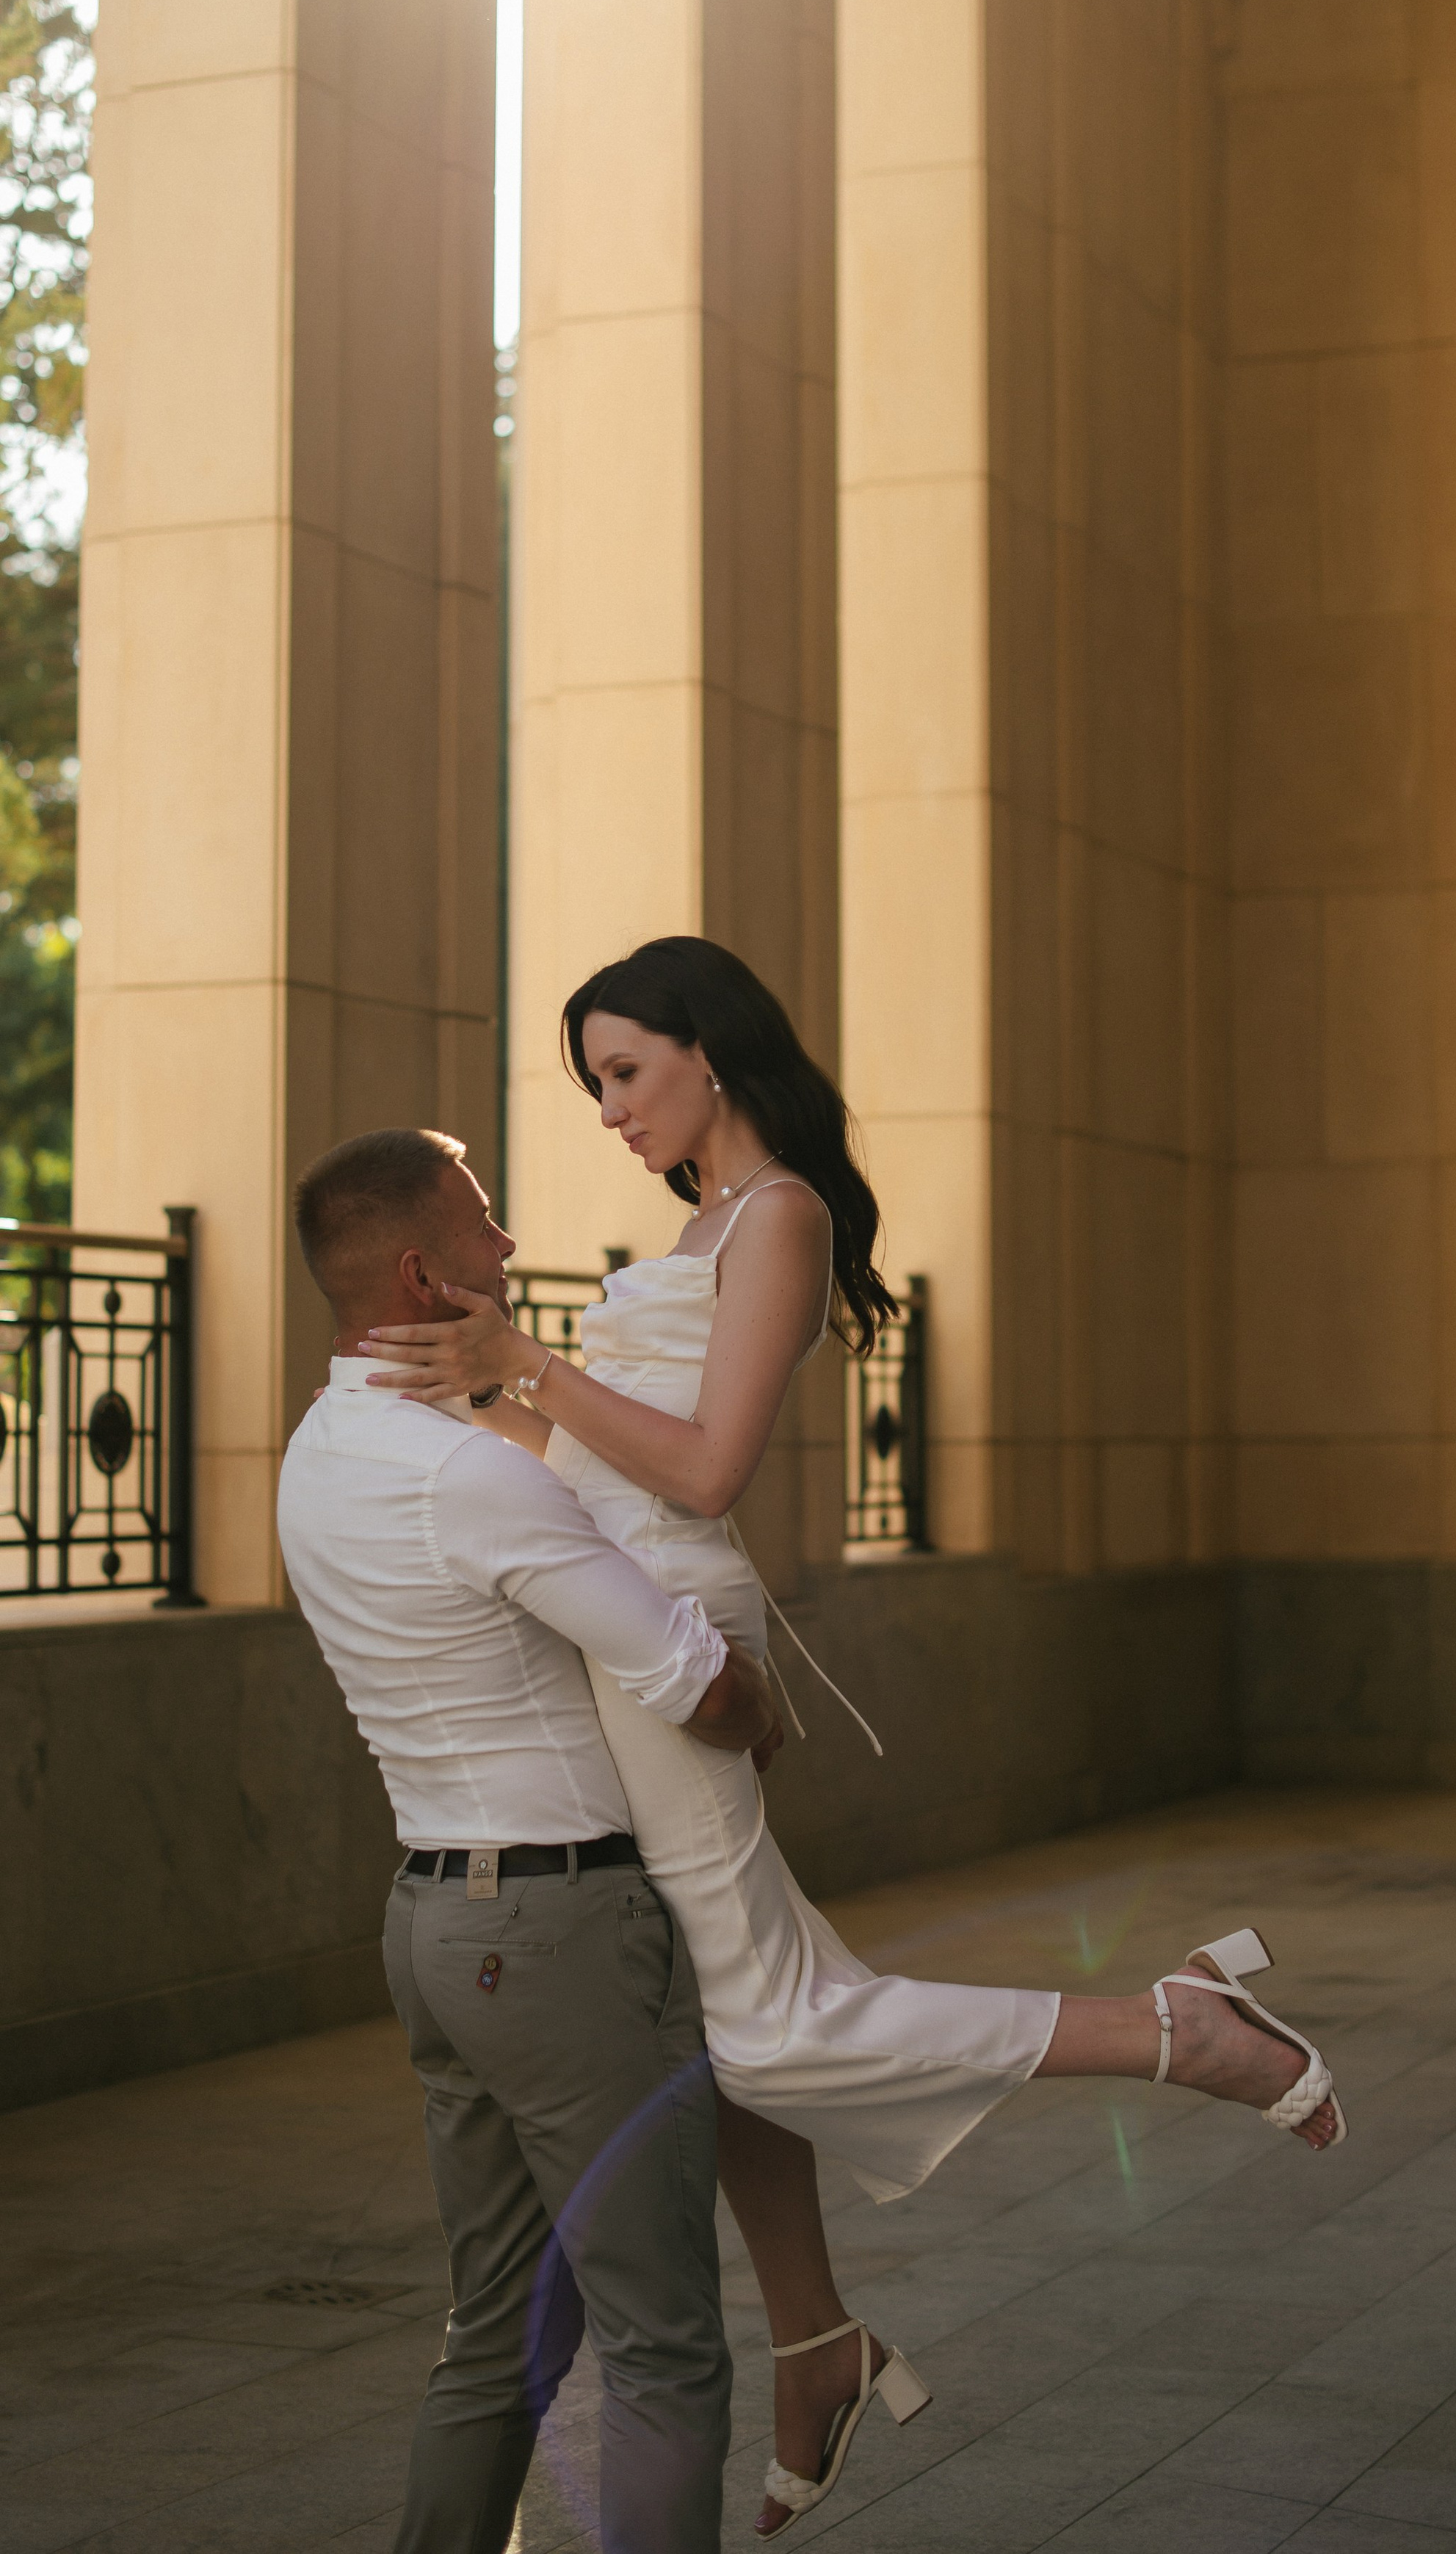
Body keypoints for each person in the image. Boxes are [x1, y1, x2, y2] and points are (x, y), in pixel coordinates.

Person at [365, 938, 1346, 2540]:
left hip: (673, 1630)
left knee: (772, 2021)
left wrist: (524, 1361)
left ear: (708, 1050)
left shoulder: (782, 1219)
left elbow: (700, 1475)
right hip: (623, 1618)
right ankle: (815, 2343)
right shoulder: (701, 1222)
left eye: (622, 1073)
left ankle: (1170, 2027)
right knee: (710, 2004)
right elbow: (602, 1468)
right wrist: (469, 1391)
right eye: (593, 1084)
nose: (607, 1111)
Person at [277, 1125, 779, 2554]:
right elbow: (691, 1681)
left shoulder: (317, 1454)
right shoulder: (466, 1473)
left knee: (490, 2336)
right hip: (560, 1937)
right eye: (485, 1224)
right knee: (663, 2342)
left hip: (433, 1923)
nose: (509, 1248)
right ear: (428, 1271)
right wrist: (759, 1695)